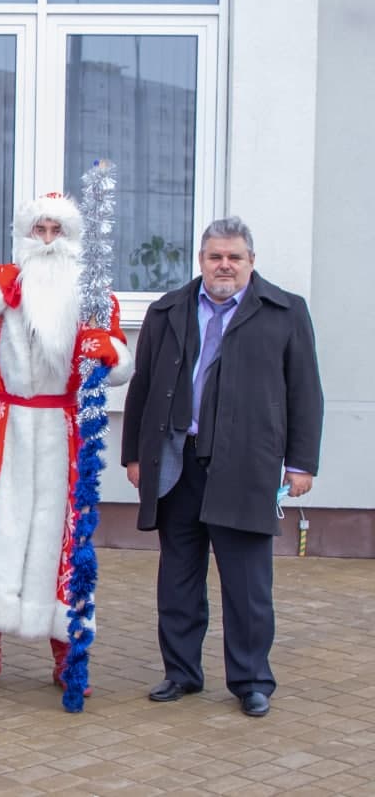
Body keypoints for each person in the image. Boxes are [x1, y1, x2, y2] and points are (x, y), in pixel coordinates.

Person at [122, 216, 323, 718]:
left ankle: (252, 680)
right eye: (215, 257)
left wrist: (300, 463)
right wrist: (133, 455)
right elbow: (142, 387)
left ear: (251, 262)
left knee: (248, 584)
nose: (224, 266)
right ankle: (182, 673)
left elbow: (305, 393)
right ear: (201, 261)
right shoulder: (167, 310)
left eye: (234, 257)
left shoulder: (285, 311)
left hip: (246, 465)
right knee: (178, 577)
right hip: (176, 462)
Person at [0, 193, 132, 695]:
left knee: (62, 540)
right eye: (39, 230)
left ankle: (65, 656)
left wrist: (107, 353)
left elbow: (117, 364)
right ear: (26, 236)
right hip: (3, 426)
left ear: (71, 239)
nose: (48, 240)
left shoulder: (93, 294)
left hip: (62, 428)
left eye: (57, 231)